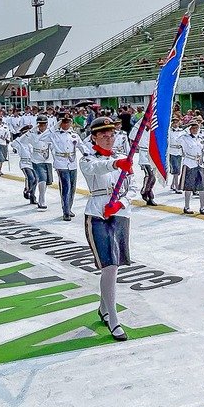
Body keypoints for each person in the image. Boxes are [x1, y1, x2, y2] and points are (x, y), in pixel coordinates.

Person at [80, 116, 133, 341]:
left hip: (120, 213)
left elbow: (134, 187)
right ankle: (113, 318)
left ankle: (103, 307)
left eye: (111, 134)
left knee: (115, 266)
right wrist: (114, 164)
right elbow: (94, 169)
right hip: (97, 214)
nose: (108, 138)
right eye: (102, 135)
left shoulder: (122, 158)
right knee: (108, 266)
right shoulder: (87, 158)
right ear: (94, 137)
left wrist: (122, 202)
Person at [51, 114, 91, 220]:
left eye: (68, 122)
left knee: (72, 187)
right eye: (64, 122)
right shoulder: (54, 134)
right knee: (66, 186)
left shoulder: (73, 135)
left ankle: (69, 208)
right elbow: (43, 136)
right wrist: (55, 126)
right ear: (61, 123)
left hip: (72, 163)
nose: (66, 124)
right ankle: (66, 211)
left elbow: (81, 145)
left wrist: (86, 153)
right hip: (61, 163)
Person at [179, 120, 204, 214]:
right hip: (189, 163)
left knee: (202, 186)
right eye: (193, 128)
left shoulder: (201, 136)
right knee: (188, 186)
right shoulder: (184, 137)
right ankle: (187, 207)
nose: (195, 129)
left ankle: (202, 207)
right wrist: (185, 129)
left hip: (199, 163)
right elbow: (177, 139)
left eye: (196, 127)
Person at [29, 114, 54, 209]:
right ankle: (42, 200)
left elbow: (53, 146)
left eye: (44, 124)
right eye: (40, 124)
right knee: (42, 179)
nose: (42, 126)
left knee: (47, 181)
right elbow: (27, 142)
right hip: (37, 159)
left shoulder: (50, 133)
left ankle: (39, 196)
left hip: (47, 158)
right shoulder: (33, 133)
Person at [11, 125, 36, 202]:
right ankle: (27, 189)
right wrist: (21, 137)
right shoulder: (19, 142)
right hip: (25, 163)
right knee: (31, 178)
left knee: (36, 179)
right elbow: (12, 144)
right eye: (26, 133)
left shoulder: (33, 141)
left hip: (33, 162)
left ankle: (32, 196)